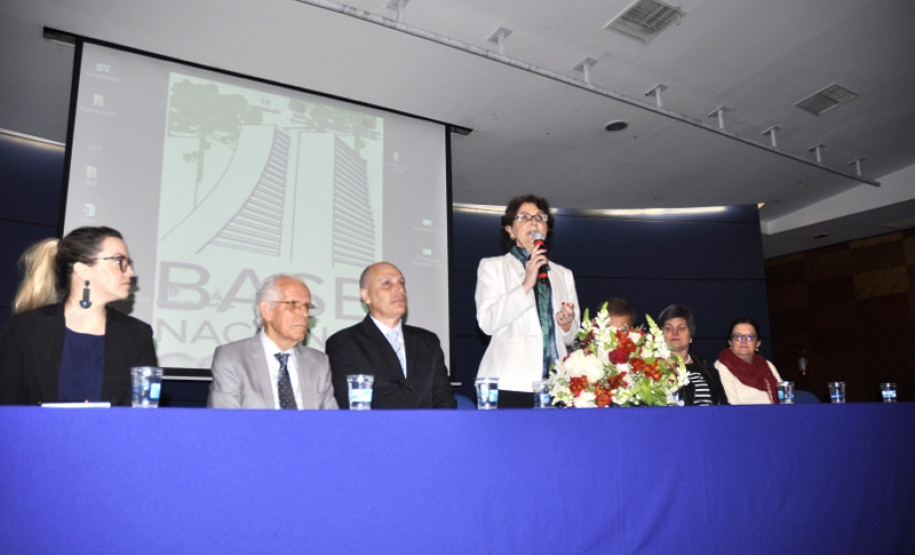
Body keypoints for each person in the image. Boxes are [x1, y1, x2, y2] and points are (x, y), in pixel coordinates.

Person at [0, 227, 157, 405]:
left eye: (128, 263)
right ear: (83, 270)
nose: (130, 272)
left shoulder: (138, 334)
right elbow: (6, 407)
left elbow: (143, 412)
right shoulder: (27, 328)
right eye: (119, 261)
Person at [475, 194, 579, 408]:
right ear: (510, 230)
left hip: (558, 384)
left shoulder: (563, 274)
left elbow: (572, 338)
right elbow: (487, 323)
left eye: (540, 217)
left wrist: (567, 324)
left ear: (547, 229)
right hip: (510, 383)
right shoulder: (493, 267)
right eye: (524, 217)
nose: (534, 222)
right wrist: (525, 285)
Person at [325, 262, 456, 409]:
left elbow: (444, 398)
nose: (400, 289)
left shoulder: (428, 341)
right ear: (366, 295)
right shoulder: (344, 343)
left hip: (428, 424)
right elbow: (348, 404)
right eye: (387, 284)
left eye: (401, 283)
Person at [208, 274, 337, 410]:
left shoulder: (319, 363)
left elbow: (332, 419)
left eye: (307, 306)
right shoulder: (232, 358)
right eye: (293, 304)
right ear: (267, 310)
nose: (304, 314)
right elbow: (225, 420)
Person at [658, 304, 728, 406]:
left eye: (681, 328)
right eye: (668, 328)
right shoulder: (652, 369)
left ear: (690, 334)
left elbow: (722, 406)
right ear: (661, 334)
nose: (675, 332)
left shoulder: (707, 368)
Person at [713, 316, 782, 404]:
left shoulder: (767, 365)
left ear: (758, 343)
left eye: (750, 337)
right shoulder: (722, 366)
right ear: (730, 342)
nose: (744, 341)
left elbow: (784, 397)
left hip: (776, 412)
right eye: (738, 336)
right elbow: (732, 405)